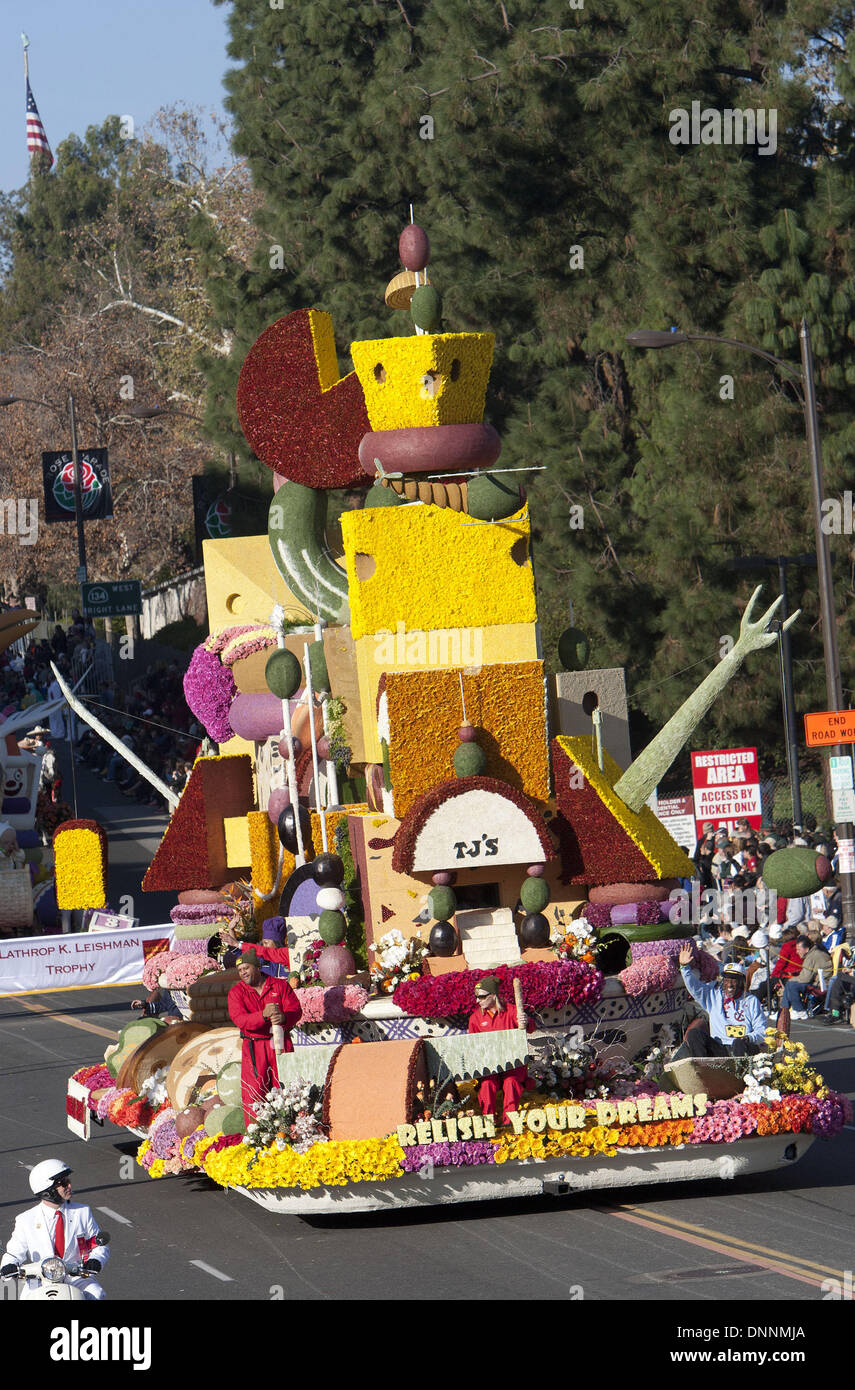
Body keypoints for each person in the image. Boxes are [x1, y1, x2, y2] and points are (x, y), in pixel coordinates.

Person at [1, 1159, 109, 1300]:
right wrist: (8, 1265)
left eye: (68, 1180)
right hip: (39, 1278)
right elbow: (14, 1252)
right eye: (63, 1183)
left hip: (75, 1275)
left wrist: (96, 1260)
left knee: (96, 1294)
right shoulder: (25, 1219)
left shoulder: (82, 1212)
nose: (69, 1185)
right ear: (47, 1189)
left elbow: (98, 1245)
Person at [227, 948, 302, 1124]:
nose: (243, 972)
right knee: (254, 1094)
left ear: (257, 966)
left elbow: (296, 1010)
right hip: (255, 1048)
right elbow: (240, 1020)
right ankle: (258, 1137)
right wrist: (263, 1015)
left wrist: (284, 1017)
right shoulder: (236, 993)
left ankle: (292, 1131)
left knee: (287, 1090)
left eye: (246, 967)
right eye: (239, 970)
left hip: (280, 1043)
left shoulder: (280, 985)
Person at [673, 948, 768, 1058]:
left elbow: (762, 1030)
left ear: (742, 982)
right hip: (720, 1048)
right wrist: (684, 968)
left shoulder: (751, 1001)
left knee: (738, 1043)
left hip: (743, 1046)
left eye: (734, 980)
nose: (730, 985)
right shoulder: (713, 996)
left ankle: (739, 1072)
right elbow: (694, 987)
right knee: (693, 1034)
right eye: (727, 980)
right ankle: (703, 1068)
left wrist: (748, 1037)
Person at [467, 975, 532, 1124]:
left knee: (511, 1082)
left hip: (513, 1065)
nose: (478, 1001)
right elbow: (473, 1045)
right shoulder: (475, 1018)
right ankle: (489, 1123)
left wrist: (526, 1021)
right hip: (490, 1066)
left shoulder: (511, 1011)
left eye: (482, 997)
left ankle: (509, 1123)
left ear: (493, 995)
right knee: (487, 1085)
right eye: (476, 997)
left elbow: (531, 1027)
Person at [780, 936, 833, 1019]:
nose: (797, 952)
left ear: (806, 949)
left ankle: (799, 1011)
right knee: (790, 983)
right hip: (818, 981)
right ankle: (784, 1010)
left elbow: (805, 979)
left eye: (799, 949)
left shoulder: (812, 956)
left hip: (821, 984)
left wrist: (791, 978)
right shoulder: (813, 954)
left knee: (791, 984)